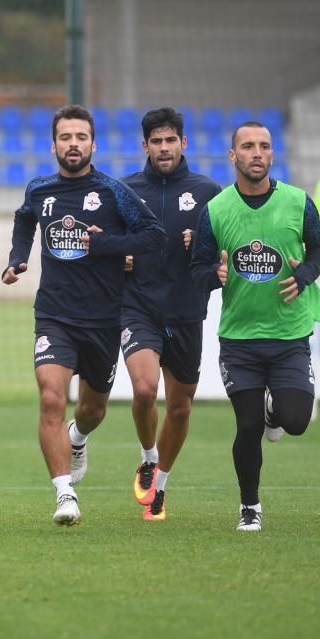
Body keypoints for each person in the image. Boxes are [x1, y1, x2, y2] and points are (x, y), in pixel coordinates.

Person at [2, 104, 165, 527]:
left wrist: (106, 245)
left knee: (92, 410)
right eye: (65, 137)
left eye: (80, 137)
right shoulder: (39, 190)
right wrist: (18, 259)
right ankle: (65, 494)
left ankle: (77, 437)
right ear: (53, 143)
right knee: (51, 397)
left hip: (104, 319)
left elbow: (153, 237)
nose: (72, 145)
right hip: (54, 315)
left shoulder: (113, 192)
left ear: (93, 143)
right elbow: (24, 221)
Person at [189, 121, 320, 532]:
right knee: (247, 427)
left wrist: (304, 273)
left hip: (289, 336)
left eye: (264, 146)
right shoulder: (216, 210)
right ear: (233, 156)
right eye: (248, 146)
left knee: (297, 421)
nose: (257, 153)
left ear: (272, 155)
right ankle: (249, 505)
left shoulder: (297, 202)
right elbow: (197, 267)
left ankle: (276, 410)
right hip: (239, 340)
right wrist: (210, 275)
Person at [120, 107, 222, 522]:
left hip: (185, 309)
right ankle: (148, 457)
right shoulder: (124, 191)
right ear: (145, 146)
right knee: (144, 390)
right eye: (156, 141)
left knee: (179, 409)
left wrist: (200, 245)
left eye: (171, 140)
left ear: (183, 143)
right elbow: (108, 245)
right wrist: (119, 258)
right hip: (137, 306)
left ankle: (159, 489)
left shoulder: (209, 192)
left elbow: (221, 256)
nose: (164, 148)